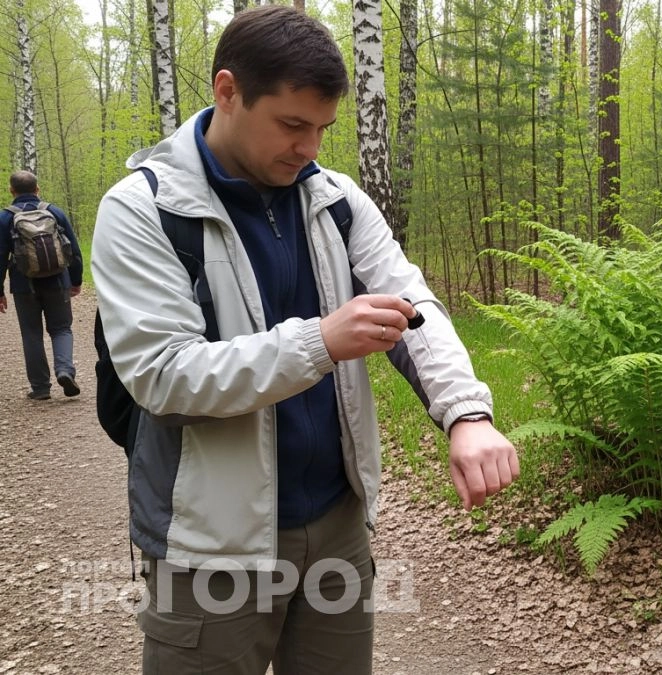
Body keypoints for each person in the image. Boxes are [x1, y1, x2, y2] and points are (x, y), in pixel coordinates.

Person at [91, 6, 518, 673]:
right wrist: (320, 341)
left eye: (323, 128)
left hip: (336, 527)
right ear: (227, 91)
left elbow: (412, 305)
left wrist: (466, 414)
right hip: (209, 545)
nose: (310, 148)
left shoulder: (336, 201)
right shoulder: (143, 209)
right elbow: (163, 376)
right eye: (292, 125)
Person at [0, 170, 83, 401]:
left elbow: (0, 257)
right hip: (57, 281)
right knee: (61, 329)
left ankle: (40, 388)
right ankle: (65, 370)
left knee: (31, 334)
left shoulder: (5, 218)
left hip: (24, 285)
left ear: (12, 191)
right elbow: (74, 250)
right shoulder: (54, 212)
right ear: (37, 189)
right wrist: (75, 281)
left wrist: (0, 292)